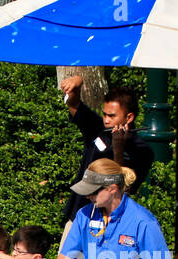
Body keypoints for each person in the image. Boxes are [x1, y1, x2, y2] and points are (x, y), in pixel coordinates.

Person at [56, 159, 171, 259]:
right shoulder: (84, 215)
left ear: (112, 188)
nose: (87, 195)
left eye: (93, 191)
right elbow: (64, 258)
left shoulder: (143, 221)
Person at [57, 78, 155, 230]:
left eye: (112, 116)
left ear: (129, 117)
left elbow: (126, 187)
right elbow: (73, 104)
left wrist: (118, 149)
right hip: (79, 214)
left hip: (111, 221)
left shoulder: (142, 150)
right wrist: (77, 83)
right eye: (104, 115)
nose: (106, 120)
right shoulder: (98, 129)